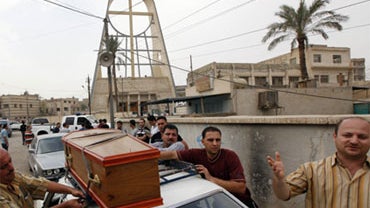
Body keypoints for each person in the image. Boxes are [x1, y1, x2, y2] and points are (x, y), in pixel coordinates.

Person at [266, 117, 370, 207]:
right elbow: (284, 194)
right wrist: (279, 179)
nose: (354, 141)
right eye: (347, 135)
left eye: (362, 137)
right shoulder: (311, 170)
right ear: (335, 137)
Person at [160, 126, 257, 207]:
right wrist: (147, 155)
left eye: (218, 140)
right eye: (210, 140)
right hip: (218, 202)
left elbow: (241, 188)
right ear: (203, 141)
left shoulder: (230, 156)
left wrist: (211, 179)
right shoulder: (196, 154)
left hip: (239, 202)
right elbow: (172, 154)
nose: (215, 143)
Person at [0, 148, 85, 208]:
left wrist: (71, 190)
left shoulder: (14, 177)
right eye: (3, 166)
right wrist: (67, 205)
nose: (11, 168)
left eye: (10, 161)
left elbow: (41, 184)